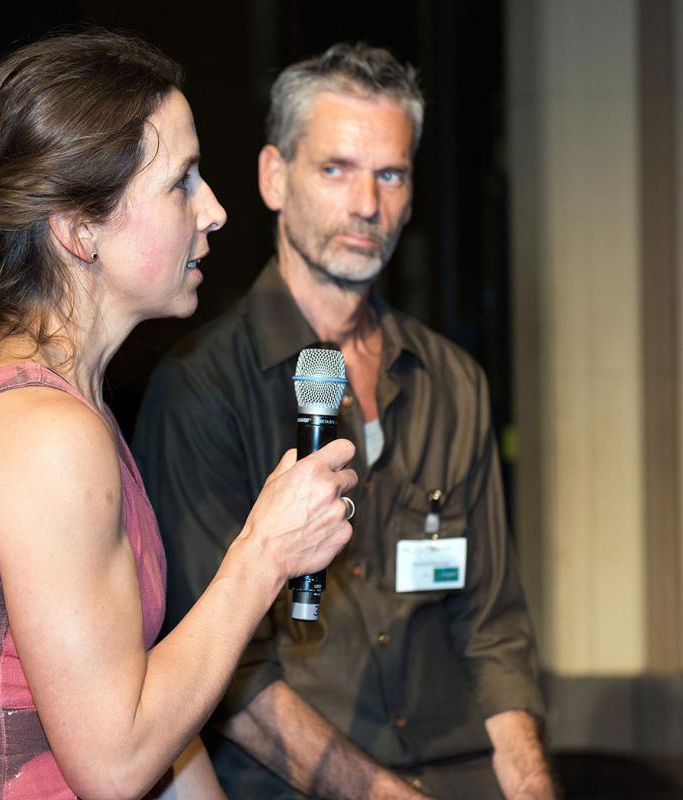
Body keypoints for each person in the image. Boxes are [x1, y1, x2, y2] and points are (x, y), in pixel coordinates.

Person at [0, 31, 357, 800]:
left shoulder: (67, 404)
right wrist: (263, 553)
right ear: (79, 229)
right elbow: (116, 761)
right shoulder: (42, 433)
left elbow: (143, 709)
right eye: (182, 182)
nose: (216, 211)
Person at [134, 42, 555, 800]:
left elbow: (494, 635)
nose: (367, 204)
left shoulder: (452, 382)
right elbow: (225, 675)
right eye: (336, 169)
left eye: (389, 174)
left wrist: (529, 789)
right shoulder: (202, 388)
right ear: (273, 177)